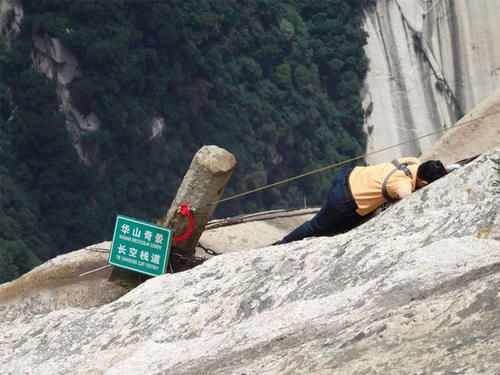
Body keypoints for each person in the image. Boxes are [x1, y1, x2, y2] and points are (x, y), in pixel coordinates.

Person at [273, 157, 447, 245]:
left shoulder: (413, 161)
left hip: (348, 175)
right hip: (345, 200)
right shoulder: (401, 184)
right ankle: (281, 245)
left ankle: (283, 244)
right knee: (317, 228)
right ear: (424, 183)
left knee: (328, 229)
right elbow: (408, 199)